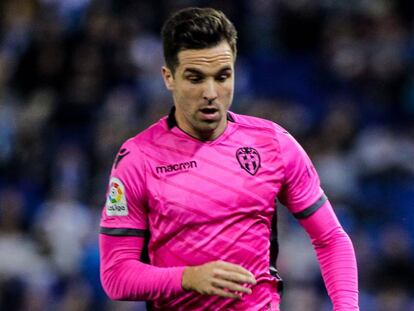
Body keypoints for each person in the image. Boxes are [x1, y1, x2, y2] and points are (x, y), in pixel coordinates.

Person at [99, 7, 359, 311]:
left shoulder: (273, 143)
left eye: (222, 76)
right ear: (168, 77)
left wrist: (347, 308)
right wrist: (188, 278)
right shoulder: (138, 158)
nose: (211, 92)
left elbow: (331, 239)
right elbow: (116, 276)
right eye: (195, 78)